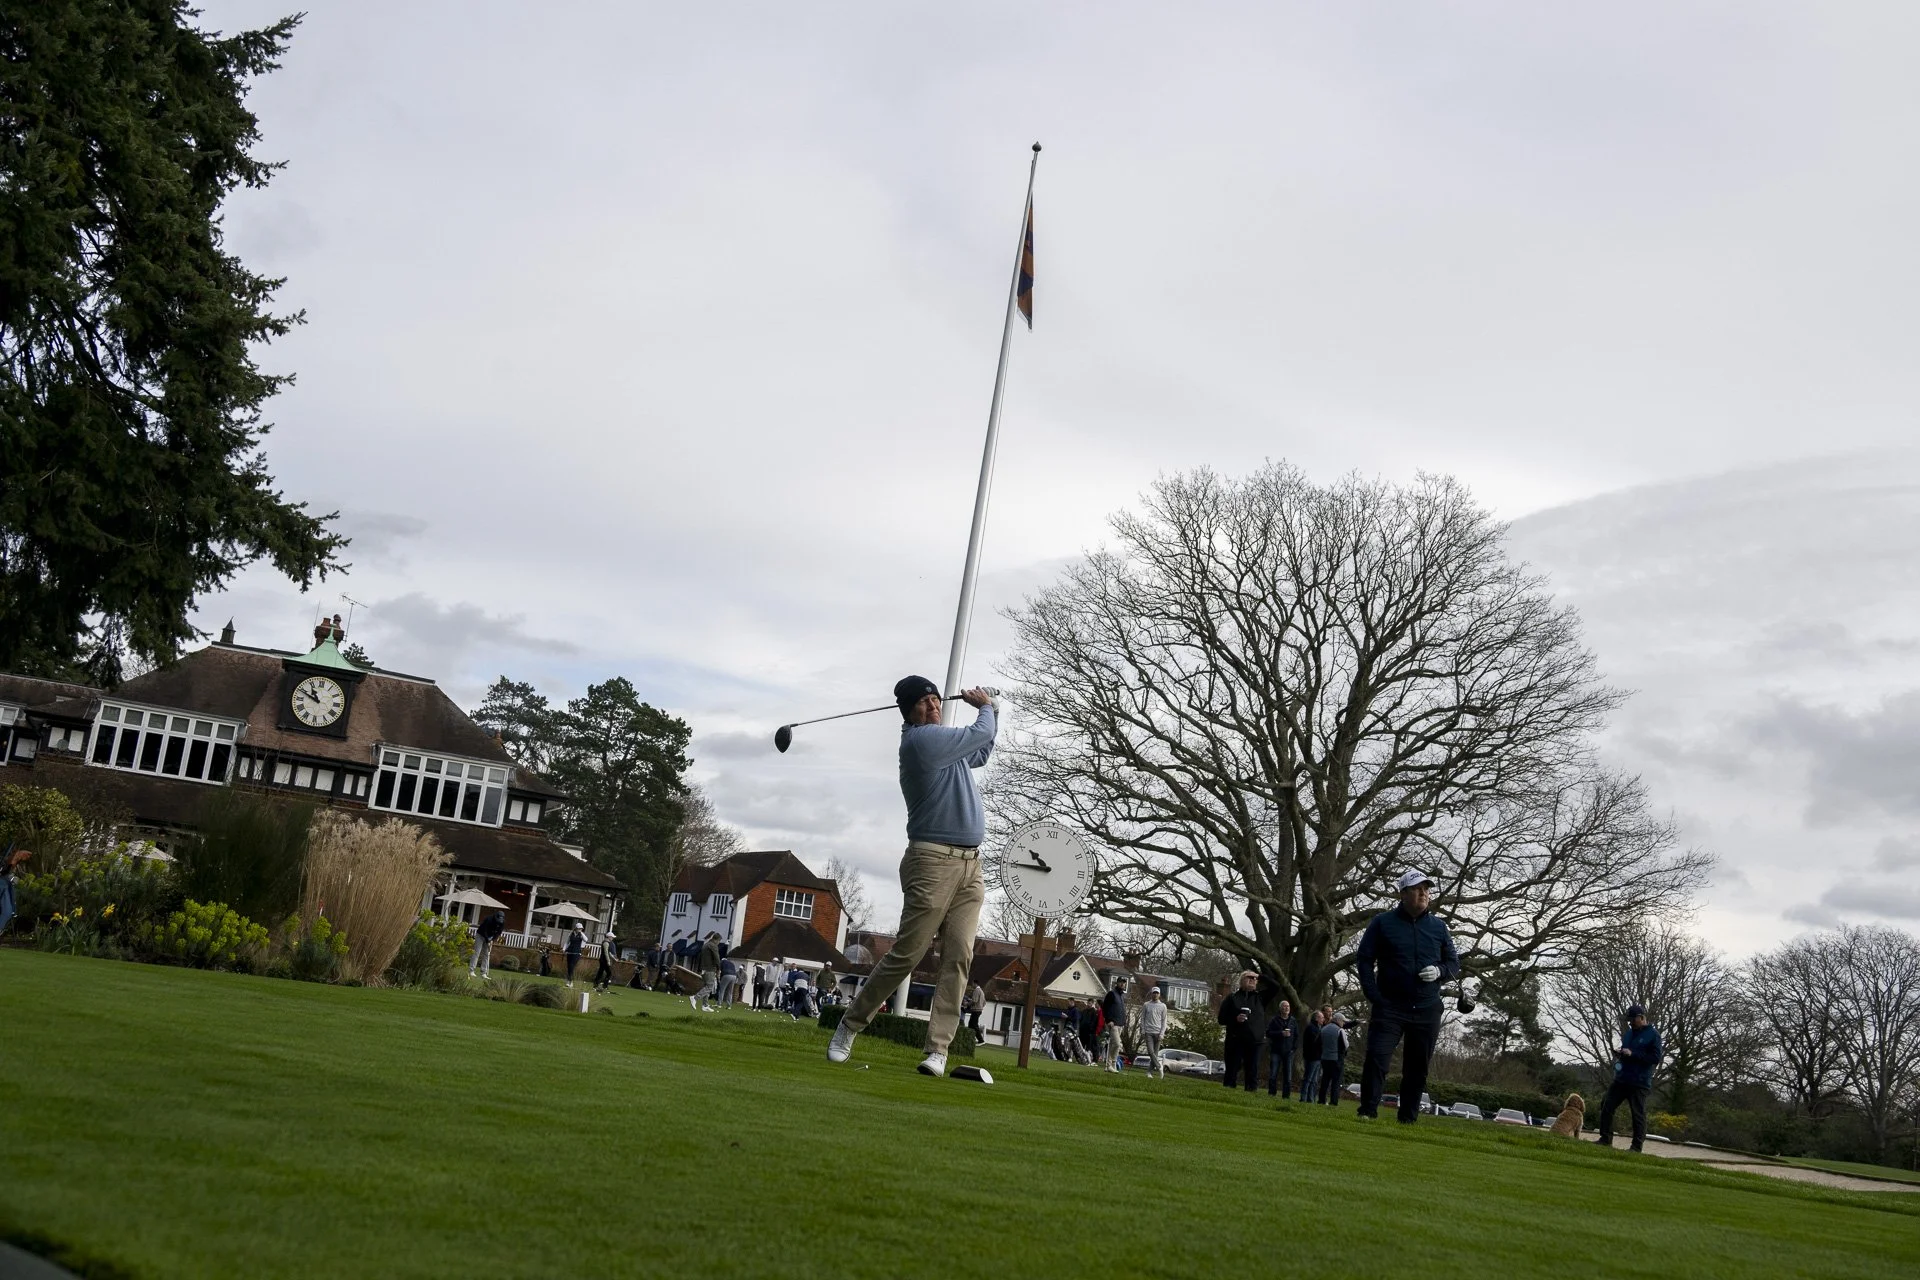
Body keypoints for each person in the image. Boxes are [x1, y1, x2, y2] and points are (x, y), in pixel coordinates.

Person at [826, 679, 998, 1078]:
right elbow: (981, 731)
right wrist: (986, 706)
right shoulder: (921, 742)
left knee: (959, 957)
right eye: (923, 701)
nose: (933, 705)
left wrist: (994, 711)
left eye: (936, 699)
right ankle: (848, 1027)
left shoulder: (944, 748)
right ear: (908, 711)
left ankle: (937, 1049)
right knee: (908, 954)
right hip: (932, 862)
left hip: (971, 866)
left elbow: (983, 749)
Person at [1355, 869, 1461, 1124]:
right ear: (1402, 893)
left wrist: (1439, 971)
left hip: (1426, 1007)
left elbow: (1453, 964)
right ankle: (1368, 1111)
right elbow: (1364, 959)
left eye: (1426, 888)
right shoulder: (1382, 922)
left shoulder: (1438, 927)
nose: (1423, 893)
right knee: (1377, 1058)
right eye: (1416, 888)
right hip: (1389, 1005)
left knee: (1417, 1067)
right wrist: (1373, 994)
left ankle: (1408, 1119)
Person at [1597, 1004, 1664, 1153]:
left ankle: (1636, 1146)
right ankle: (1605, 1139)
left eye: (1633, 1020)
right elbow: (1627, 1051)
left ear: (1641, 1018)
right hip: (1621, 1079)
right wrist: (1621, 1054)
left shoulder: (1653, 1035)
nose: (1630, 1023)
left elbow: (1655, 1058)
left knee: (1637, 1114)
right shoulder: (1628, 1034)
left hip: (1639, 1082)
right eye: (1629, 1020)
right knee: (1606, 1105)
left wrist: (1633, 1054)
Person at [1217, 971, 1265, 1091]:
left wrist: (1260, 976)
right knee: (1232, 1068)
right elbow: (1221, 1019)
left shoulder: (1260, 998)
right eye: (1249, 977)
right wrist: (1235, 1019)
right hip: (1235, 1039)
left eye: (1254, 978)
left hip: (1255, 1041)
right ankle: (1228, 1089)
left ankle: (1250, 1092)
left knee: (1252, 1069)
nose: (1252, 980)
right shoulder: (1232, 998)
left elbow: (1276, 987)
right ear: (1242, 980)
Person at [1265, 999, 1296, 1098]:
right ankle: (1272, 1093)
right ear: (1280, 1008)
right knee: (1273, 1073)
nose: (1286, 1008)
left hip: (1288, 1051)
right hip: (1276, 1051)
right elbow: (1268, 1033)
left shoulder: (1293, 1021)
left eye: (1288, 1006)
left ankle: (1286, 1096)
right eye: (1284, 1006)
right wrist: (1280, 1033)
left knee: (1288, 1075)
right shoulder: (1275, 1020)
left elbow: (1297, 1035)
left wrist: (1293, 1048)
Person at [1316, 1011, 1347, 1105]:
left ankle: (1321, 1100)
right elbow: (1345, 1045)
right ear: (1338, 1020)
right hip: (1336, 1059)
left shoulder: (1324, 1029)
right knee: (1336, 1082)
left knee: (1325, 1080)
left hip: (1325, 1058)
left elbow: (1317, 1043)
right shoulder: (1340, 1030)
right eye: (1343, 1021)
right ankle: (1333, 1102)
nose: (1343, 1023)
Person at [1140, 986, 1169, 1078]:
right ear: (1151, 994)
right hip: (1148, 1032)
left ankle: (1149, 1072)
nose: (1155, 994)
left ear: (1159, 994)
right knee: (1151, 1052)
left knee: (1155, 1054)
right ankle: (1159, 1067)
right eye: (1154, 993)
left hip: (1158, 1033)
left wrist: (1162, 1033)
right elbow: (1143, 1018)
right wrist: (1143, 1030)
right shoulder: (1146, 1005)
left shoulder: (1163, 1006)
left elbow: (1164, 1021)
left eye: (1157, 993)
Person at [1100, 976, 1128, 1073]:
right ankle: (1110, 1064)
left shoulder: (1121, 996)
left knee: (1114, 1045)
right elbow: (1105, 1008)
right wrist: (1108, 1020)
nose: (1122, 984)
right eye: (1121, 982)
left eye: (1124, 983)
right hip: (1113, 1023)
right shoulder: (1112, 994)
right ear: (1117, 983)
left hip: (1120, 1023)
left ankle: (1111, 1065)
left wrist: (1123, 1022)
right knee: (1117, 1043)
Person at [469, 909, 506, 980]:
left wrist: (492, 940)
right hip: (480, 935)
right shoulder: (489, 919)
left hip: (490, 937)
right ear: (496, 917)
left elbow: (498, 933)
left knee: (486, 954)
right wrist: (487, 939)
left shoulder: (502, 922)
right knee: (477, 952)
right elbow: (484, 930)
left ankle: (483, 973)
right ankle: (471, 970)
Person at [0, 846, 29, 937]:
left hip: (5, 885)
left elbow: (6, 870)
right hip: (2, 884)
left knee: (7, 912)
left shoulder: (9, 862)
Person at [691, 931, 721, 1010]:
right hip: (710, 968)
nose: (718, 943)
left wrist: (698, 969)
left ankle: (705, 1005)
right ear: (717, 940)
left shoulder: (705, 945)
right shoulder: (713, 946)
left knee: (705, 986)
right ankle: (695, 998)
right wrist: (719, 968)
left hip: (703, 969)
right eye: (719, 941)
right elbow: (717, 958)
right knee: (709, 986)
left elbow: (699, 957)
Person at [1299, 1010, 1325, 1103]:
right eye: (1322, 1017)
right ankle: (1303, 1098)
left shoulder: (1318, 1028)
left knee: (1314, 1081)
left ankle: (1311, 1099)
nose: (1323, 1019)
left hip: (1317, 1057)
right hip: (1312, 1057)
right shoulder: (1312, 1028)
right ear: (1317, 1018)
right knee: (1308, 1079)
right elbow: (1314, 1043)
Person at [564, 923, 586, 988]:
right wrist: (564, 949)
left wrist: (581, 933)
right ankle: (569, 981)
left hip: (577, 953)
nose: (580, 929)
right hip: (569, 952)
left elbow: (586, 939)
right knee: (569, 967)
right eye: (579, 928)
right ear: (576, 928)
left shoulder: (581, 935)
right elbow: (567, 942)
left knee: (572, 966)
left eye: (581, 928)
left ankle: (570, 981)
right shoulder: (571, 934)